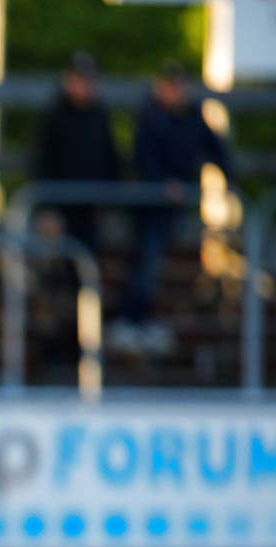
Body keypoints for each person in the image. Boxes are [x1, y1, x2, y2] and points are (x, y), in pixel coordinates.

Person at [120, 62, 235, 350]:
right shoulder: (149, 116)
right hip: (148, 207)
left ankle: (156, 323)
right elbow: (141, 158)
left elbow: (217, 150)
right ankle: (133, 319)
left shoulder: (194, 116)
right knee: (147, 260)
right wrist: (162, 184)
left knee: (174, 263)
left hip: (179, 206)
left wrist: (230, 184)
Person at [30, 51, 121, 259]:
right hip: (60, 204)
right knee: (59, 263)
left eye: (89, 79)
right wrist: (47, 208)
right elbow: (41, 161)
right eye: (79, 79)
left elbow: (110, 156)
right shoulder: (53, 115)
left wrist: (109, 200)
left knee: (88, 259)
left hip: (91, 204)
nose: (84, 85)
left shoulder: (100, 114)